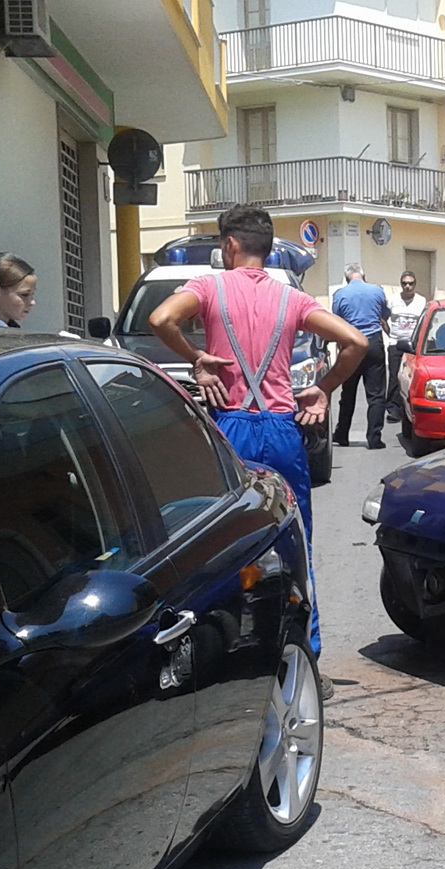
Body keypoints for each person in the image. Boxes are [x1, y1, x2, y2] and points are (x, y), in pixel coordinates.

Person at [148, 204, 366, 672]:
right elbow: (358, 343)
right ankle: (306, 654)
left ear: (229, 246)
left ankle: (232, 647)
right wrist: (323, 389)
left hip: (230, 430)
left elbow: (161, 319)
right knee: (293, 539)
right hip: (282, 428)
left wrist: (197, 357)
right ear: (266, 250)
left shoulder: (208, 287)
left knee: (225, 542)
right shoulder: (292, 298)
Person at [328, 264, 391, 447]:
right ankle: (374, 438)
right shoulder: (377, 291)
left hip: (351, 344)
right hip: (373, 342)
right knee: (376, 395)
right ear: (364, 275)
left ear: (347, 278)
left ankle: (342, 433)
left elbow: (337, 321)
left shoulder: (340, 295)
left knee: (348, 393)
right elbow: (384, 315)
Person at [383, 271, 427, 425]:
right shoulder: (393, 300)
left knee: (411, 377)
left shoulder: (421, 301)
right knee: (394, 376)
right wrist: (390, 334)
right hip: (395, 343)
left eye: (411, 283)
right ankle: (393, 410)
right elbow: (383, 318)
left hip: (412, 345)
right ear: (401, 284)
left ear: (415, 284)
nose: (407, 286)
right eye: (404, 283)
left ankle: (408, 407)